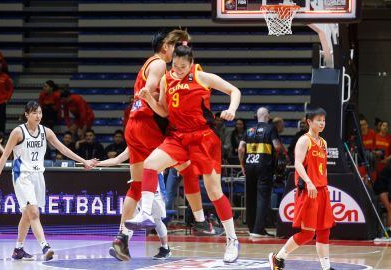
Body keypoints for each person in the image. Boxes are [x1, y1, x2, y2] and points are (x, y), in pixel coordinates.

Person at [103, 29, 212, 262]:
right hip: (147, 125)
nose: (177, 54)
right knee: (187, 166)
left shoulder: (149, 63)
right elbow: (150, 88)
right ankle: (200, 220)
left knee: (136, 186)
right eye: (174, 47)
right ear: (165, 46)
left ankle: (121, 238)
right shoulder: (159, 65)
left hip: (132, 127)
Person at [127, 43, 241, 263]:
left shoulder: (201, 77)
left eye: (183, 66)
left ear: (191, 63)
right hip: (178, 136)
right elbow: (165, 111)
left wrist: (231, 109)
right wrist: (150, 99)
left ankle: (232, 239)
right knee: (150, 164)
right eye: (175, 65)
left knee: (214, 191)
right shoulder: (166, 79)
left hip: (203, 137)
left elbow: (234, 91)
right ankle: (146, 213)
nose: (178, 70)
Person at [0, 101, 97, 261]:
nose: (38, 115)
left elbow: (63, 149)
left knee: (27, 214)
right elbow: (5, 155)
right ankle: (45, 247)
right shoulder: (18, 132)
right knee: (33, 212)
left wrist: (84, 161)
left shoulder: (46, 131)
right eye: (34, 113)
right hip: (22, 175)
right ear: (27, 115)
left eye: (39, 112)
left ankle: (18, 249)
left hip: (38, 176)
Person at [269, 107, 335, 270]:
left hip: (321, 190)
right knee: (307, 233)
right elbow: (297, 163)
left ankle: (326, 268)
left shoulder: (324, 143)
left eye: (323, 120)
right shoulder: (304, 140)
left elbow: (323, 167)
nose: (322, 123)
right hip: (308, 191)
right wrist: (309, 182)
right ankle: (278, 258)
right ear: (309, 122)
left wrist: (324, 183)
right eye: (318, 120)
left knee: (324, 230)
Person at [98, 149, 172, 259]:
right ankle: (121, 245)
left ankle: (165, 248)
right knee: (131, 218)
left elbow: (168, 163)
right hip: (138, 188)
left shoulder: (157, 144)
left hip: (155, 189)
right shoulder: (133, 143)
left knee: (156, 220)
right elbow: (117, 159)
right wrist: (97, 163)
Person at [238, 107, 282, 237]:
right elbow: (277, 146)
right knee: (263, 197)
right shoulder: (271, 128)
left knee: (251, 196)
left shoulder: (249, 130)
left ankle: (251, 228)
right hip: (264, 166)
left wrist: (242, 165)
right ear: (267, 116)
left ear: (256, 116)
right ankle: (258, 230)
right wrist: (276, 160)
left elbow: (241, 148)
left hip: (249, 166)